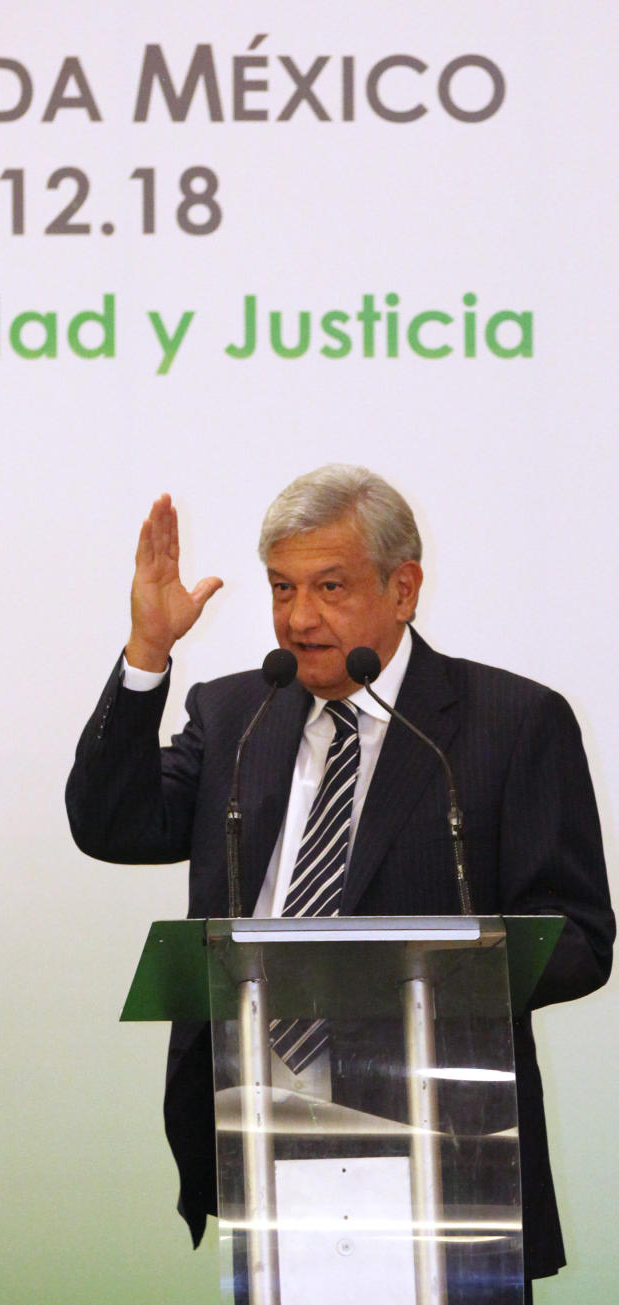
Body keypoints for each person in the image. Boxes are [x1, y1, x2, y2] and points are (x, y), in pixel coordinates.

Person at [65, 465, 614, 1292]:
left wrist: (412, 973)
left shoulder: (511, 722)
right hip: (263, 1129)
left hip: (449, 1152)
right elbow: (111, 824)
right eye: (281, 587)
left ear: (404, 588)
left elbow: (578, 936)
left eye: (329, 586)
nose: (298, 616)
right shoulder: (236, 712)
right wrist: (149, 652)